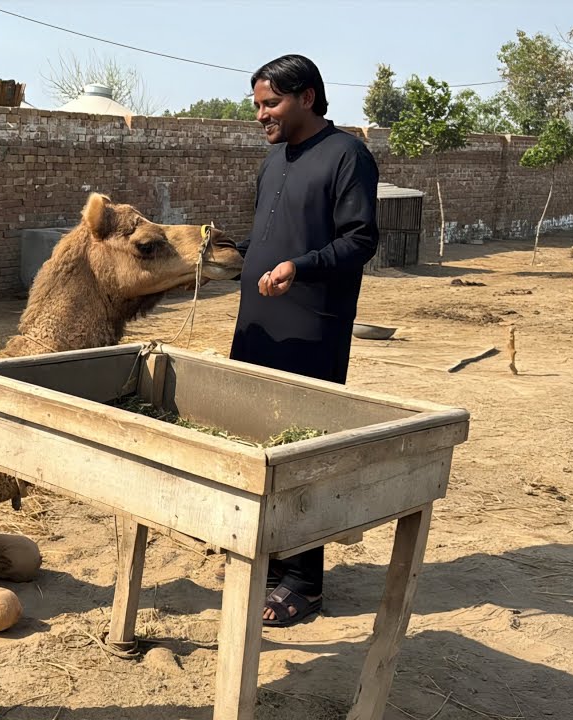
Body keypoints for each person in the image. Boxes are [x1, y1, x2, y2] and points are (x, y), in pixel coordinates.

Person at [229, 54, 380, 627]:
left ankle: (304, 582)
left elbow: (360, 239)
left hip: (311, 327)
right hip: (258, 326)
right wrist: (237, 254)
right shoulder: (275, 159)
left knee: (302, 451)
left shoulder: (347, 156)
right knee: (256, 443)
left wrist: (301, 266)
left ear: (309, 98)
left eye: (271, 103)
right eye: (258, 105)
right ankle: (271, 561)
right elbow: (272, 232)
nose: (262, 115)